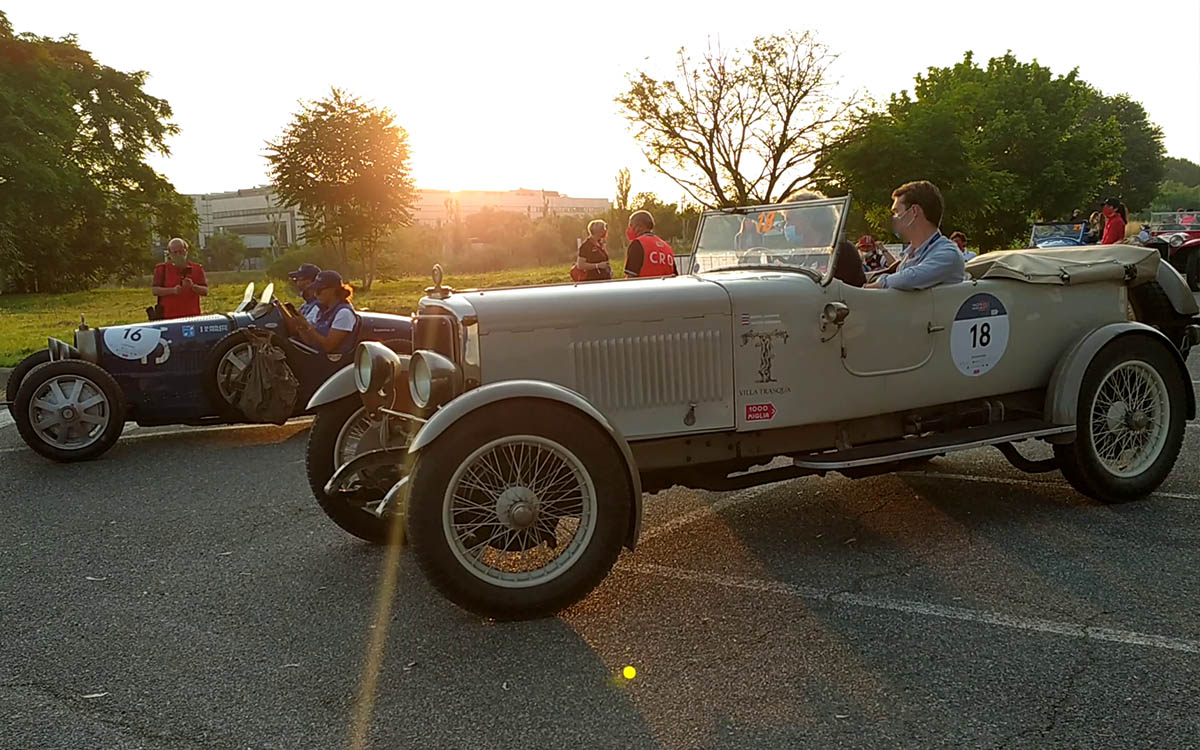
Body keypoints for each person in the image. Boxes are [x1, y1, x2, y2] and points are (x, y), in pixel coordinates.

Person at [865, 180, 966, 290]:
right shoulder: (911, 253)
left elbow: (910, 278)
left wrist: (876, 284)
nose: (894, 218)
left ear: (914, 212)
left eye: (896, 212)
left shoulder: (948, 254)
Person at [289, 270, 358, 354]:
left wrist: (308, 326)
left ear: (332, 290)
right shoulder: (322, 310)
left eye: (319, 291)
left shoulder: (344, 313)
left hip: (331, 362)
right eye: (314, 291)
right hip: (314, 355)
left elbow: (328, 347)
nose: (315, 294)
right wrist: (301, 326)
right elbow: (310, 342)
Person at [151, 238, 208, 319]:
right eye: (175, 252)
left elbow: (205, 291)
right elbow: (155, 290)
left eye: (181, 252)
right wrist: (173, 290)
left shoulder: (197, 268)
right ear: (170, 254)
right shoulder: (162, 269)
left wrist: (193, 286)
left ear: (186, 251)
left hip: (192, 317)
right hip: (169, 317)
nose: (178, 255)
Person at [624, 210, 677, 278]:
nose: (629, 229)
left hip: (644, 288)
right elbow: (674, 276)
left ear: (639, 226)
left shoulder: (638, 244)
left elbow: (630, 278)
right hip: (666, 288)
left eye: (631, 225)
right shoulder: (667, 248)